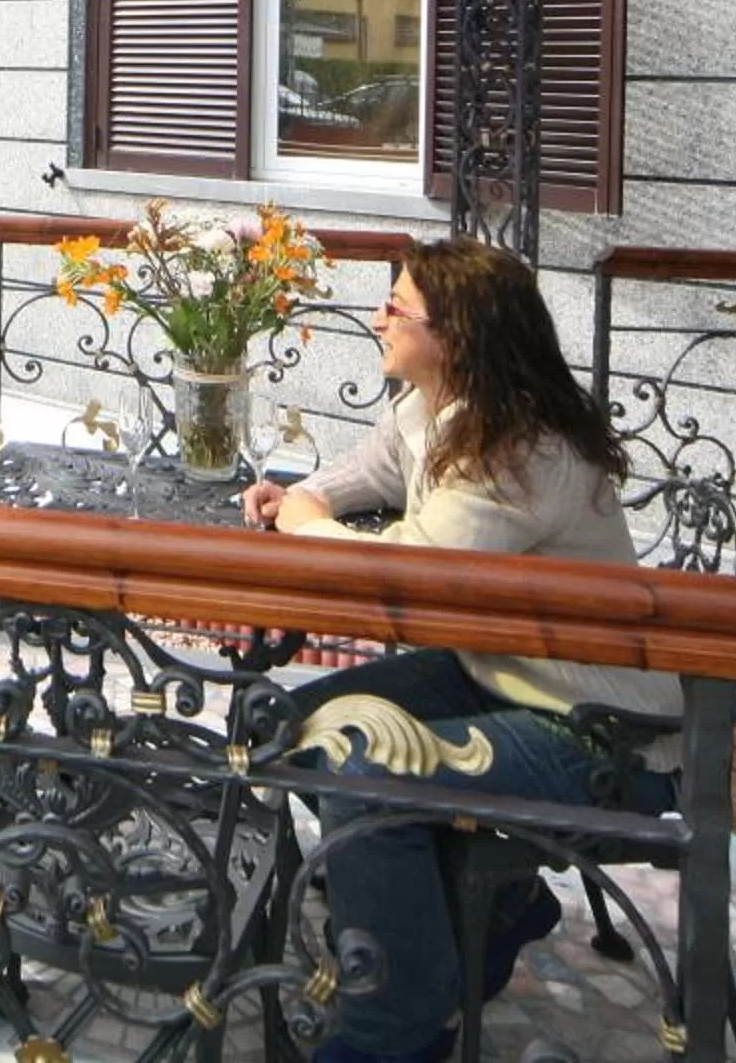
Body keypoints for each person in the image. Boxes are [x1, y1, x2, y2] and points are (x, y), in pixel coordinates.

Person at [240, 237, 680, 1063]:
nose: (378, 319)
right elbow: (374, 468)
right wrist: (303, 496)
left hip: (597, 729)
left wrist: (310, 530)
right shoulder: (438, 408)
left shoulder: (517, 449)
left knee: (359, 767)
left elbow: (414, 586)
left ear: (455, 336)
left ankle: (396, 1026)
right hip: (500, 674)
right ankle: (470, 913)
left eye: (396, 308)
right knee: (285, 720)